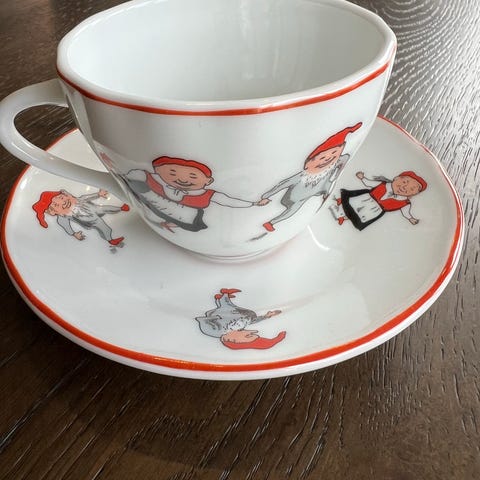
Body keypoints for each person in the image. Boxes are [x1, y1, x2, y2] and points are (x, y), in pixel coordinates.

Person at [259, 122, 363, 232]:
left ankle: (271, 223)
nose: (328, 159)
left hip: (303, 198)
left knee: (293, 211)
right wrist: (266, 196)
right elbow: (283, 184)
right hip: (292, 196)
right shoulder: (302, 176)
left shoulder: (327, 172)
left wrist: (326, 193)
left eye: (334, 153)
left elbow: (343, 160)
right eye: (321, 158)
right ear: (308, 163)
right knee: (292, 209)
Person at [122, 156, 264, 232]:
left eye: (193, 176)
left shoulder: (207, 195)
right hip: (157, 212)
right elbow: (130, 175)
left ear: (208, 181)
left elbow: (228, 200)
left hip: (188, 220)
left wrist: (254, 203)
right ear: (157, 171)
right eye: (172, 173)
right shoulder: (150, 178)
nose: (183, 180)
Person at [330, 170, 427, 230]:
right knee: (353, 204)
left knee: (360, 216)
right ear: (396, 178)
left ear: (413, 195)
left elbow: (406, 212)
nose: (404, 187)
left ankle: (343, 218)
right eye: (404, 182)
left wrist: (410, 218)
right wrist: (363, 178)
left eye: (411, 189)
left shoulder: (405, 203)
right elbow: (369, 183)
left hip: (375, 210)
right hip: (365, 198)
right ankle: (341, 202)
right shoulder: (383, 184)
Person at [195, 288, 285, 350]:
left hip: (224, 314)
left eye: (248, 336)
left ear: (233, 340)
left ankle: (223, 295)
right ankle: (223, 295)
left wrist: (210, 319)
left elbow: (204, 322)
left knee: (226, 307)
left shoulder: (218, 331)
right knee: (228, 306)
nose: (248, 332)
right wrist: (266, 316)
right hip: (236, 314)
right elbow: (252, 321)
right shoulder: (239, 326)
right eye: (250, 335)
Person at [32, 189, 129, 245]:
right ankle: (110, 240)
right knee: (104, 227)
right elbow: (66, 226)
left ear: (66, 195)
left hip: (95, 209)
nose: (63, 202)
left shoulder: (78, 200)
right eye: (56, 205)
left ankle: (121, 208)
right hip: (92, 220)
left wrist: (98, 194)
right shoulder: (63, 217)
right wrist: (74, 234)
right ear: (53, 212)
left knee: (105, 208)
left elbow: (87, 197)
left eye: (61, 198)